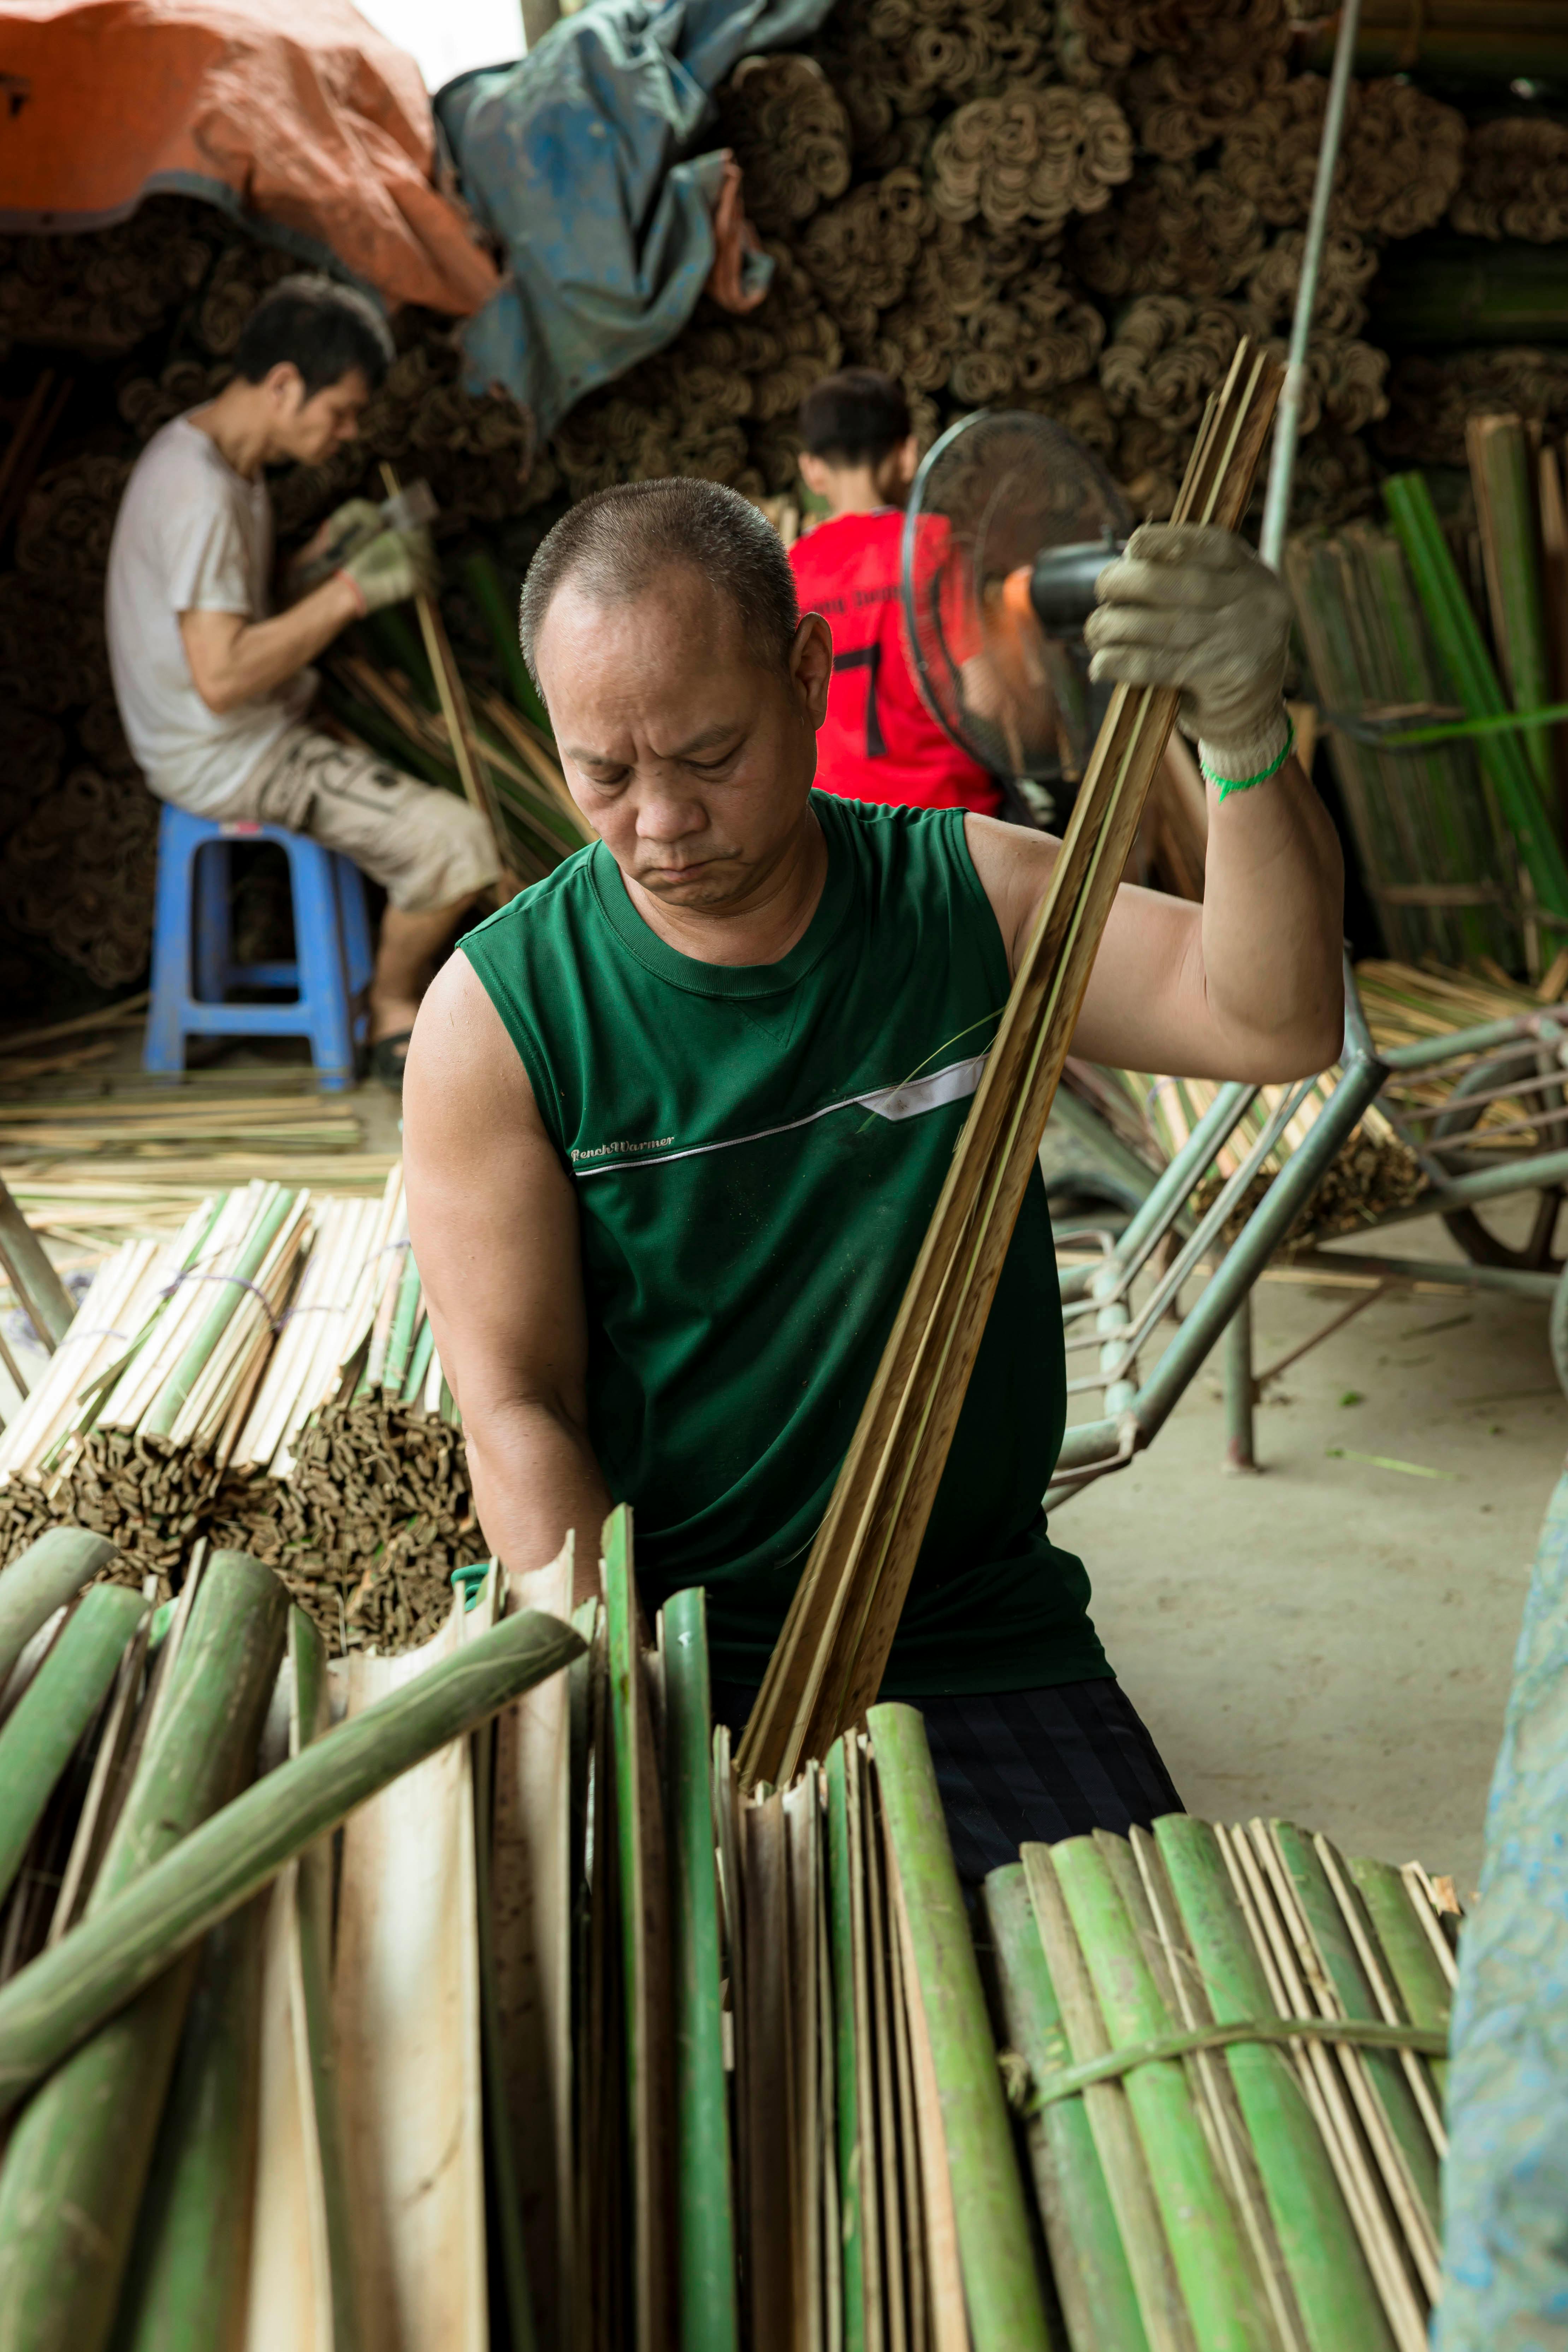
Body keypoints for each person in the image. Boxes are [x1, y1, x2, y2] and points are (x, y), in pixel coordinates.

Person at [402, 478, 1342, 1885]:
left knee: (1122, 1994)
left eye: (707, 753)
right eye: (603, 771)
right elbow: (517, 1403)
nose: (658, 821)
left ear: (804, 675)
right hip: (666, 1635)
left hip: (968, 1626)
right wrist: (613, 1696)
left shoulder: (960, 896)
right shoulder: (500, 1017)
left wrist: (1245, 741)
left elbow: (1270, 1017)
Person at [106, 273, 501, 1088]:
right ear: (284, 384)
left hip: (248, 728)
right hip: (224, 752)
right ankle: (389, 1012)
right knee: (458, 844)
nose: (349, 432)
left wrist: (324, 559)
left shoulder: (219, 462)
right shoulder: (202, 494)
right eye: (341, 410)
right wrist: (354, 592)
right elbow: (220, 674)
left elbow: (230, 610)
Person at [787, 367, 1005, 818]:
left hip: (839, 828)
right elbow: (986, 698)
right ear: (907, 454)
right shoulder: (931, 543)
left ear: (811, 470)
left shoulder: (789, 569)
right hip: (947, 822)